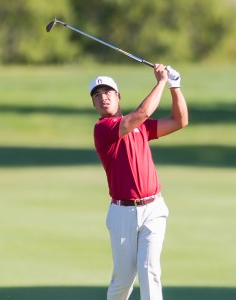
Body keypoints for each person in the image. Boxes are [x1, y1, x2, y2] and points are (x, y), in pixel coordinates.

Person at [90, 64, 188, 300]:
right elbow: (141, 114)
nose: (103, 97)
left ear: (118, 96)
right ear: (93, 103)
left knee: (149, 271)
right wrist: (161, 81)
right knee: (123, 281)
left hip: (153, 208)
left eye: (108, 92)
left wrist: (176, 86)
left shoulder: (140, 128)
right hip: (123, 213)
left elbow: (179, 121)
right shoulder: (103, 129)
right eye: (97, 95)